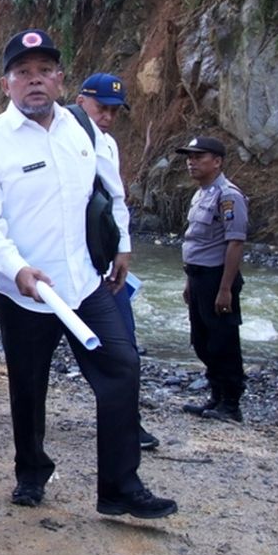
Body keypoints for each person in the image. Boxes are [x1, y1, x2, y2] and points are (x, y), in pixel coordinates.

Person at [0, 28, 177, 519]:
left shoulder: (84, 133)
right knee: (28, 385)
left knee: (122, 368)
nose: (34, 82)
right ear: (6, 84)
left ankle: (119, 487)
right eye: (23, 73)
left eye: (44, 72)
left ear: (59, 79)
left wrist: (122, 244)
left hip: (83, 284)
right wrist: (17, 269)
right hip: (24, 293)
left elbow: (111, 192)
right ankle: (31, 473)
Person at [73, 73, 160, 450]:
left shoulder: (107, 144)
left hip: (98, 263)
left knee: (122, 345)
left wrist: (122, 249)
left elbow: (115, 198)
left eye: (113, 111)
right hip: (56, 266)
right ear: (80, 102)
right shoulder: (59, 138)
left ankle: (128, 424)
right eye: (100, 108)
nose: (107, 116)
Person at [177, 136, 248, 423]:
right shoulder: (201, 193)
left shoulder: (228, 196)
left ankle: (231, 403)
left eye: (199, 157)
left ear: (217, 162)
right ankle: (216, 395)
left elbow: (235, 243)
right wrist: (188, 283)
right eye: (189, 157)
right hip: (198, 277)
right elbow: (195, 241)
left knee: (223, 341)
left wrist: (225, 288)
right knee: (202, 340)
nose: (191, 162)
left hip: (217, 276)